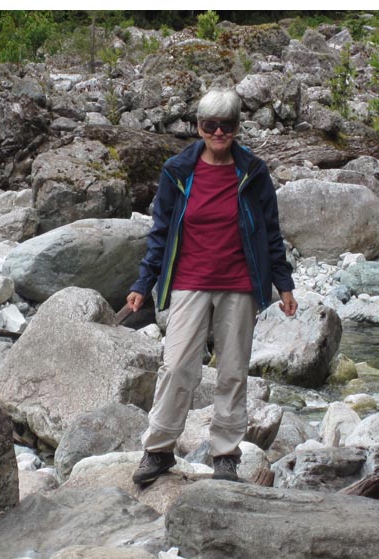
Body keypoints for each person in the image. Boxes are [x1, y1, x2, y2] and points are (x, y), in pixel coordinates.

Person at [128, 89, 297, 486]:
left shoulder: (253, 172)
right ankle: (158, 449)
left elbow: (272, 233)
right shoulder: (177, 171)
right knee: (176, 367)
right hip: (189, 280)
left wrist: (284, 284)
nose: (219, 132)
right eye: (210, 125)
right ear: (198, 127)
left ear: (238, 127)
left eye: (228, 125)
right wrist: (143, 282)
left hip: (239, 283)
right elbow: (161, 233)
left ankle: (225, 455)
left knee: (233, 372)